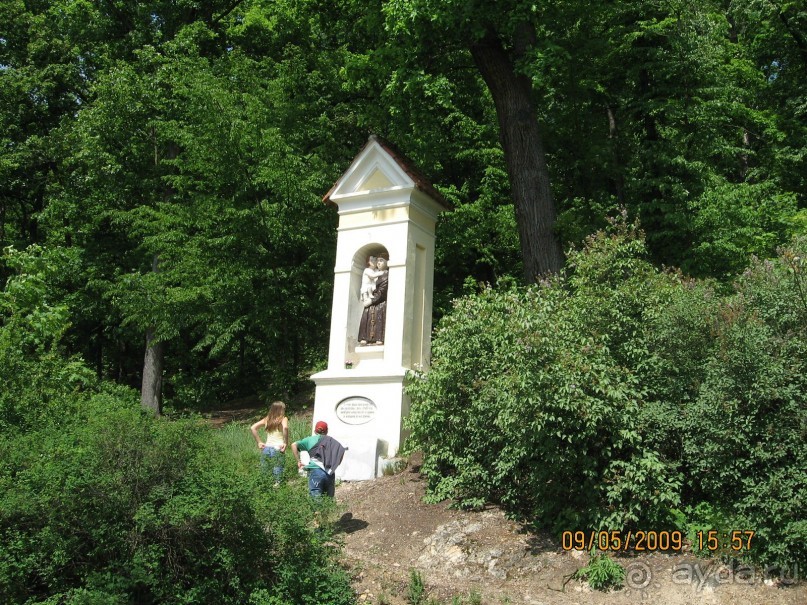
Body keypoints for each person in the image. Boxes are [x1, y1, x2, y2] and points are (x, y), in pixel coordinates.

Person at [291, 421, 346, 497]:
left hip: (316, 471)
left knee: (316, 499)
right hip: (330, 472)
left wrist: (298, 461)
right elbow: (342, 450)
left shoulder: (309, 440)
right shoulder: (332, 441)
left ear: (315, 430)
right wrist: (337, 463)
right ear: (326, 431)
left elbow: (293, 445)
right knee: (328, 499)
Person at [250, 401, 289, 481]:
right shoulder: (283, 418)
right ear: (281, 409)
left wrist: (259, 442)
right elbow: (285, 428)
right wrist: (285, 443)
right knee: (278, 468)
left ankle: (265, 484)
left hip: (267, 448)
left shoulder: (267, 419)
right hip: (278, 447)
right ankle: (277, 485)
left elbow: (253, 428)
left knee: (265, 469)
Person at [358, 256, 388, 345]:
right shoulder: (374, 273)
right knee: (366, 315)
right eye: (377, 261)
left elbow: (382, 292)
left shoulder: (386, 275)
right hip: (371, 299)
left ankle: (379, 337)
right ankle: (364, 337)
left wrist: (371, 301)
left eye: (381, 261)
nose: (378, 263)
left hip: (380, 302)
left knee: (379, 316)